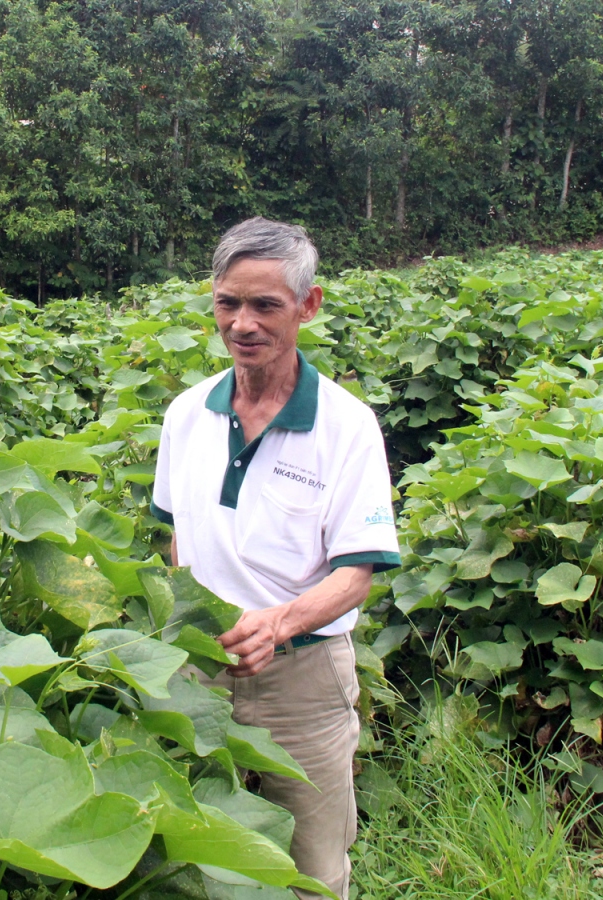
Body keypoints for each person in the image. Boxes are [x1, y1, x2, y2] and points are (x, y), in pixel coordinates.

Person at [150, 217, 401, 900]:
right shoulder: (185, 416)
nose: (243, 323)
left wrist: (280, 622)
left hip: (304, 681)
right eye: (229, 302)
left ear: (308, 305)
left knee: (312, 870)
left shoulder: (345, 427)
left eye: (266, 305)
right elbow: (177, 536)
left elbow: (357, 572)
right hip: (199, 672)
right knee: (190, 856)